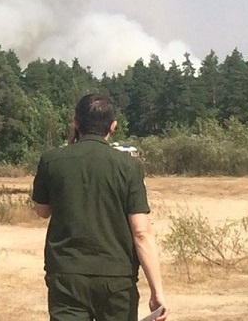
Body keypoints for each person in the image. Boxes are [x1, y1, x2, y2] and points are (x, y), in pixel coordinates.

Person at [32, 94, 168, 321]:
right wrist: (157, 291)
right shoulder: (129, 166)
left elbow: (42, 211)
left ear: (75, 123)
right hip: (116, 278)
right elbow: (142, 233)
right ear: (113, 126)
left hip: (67, 274)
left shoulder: (51, 160)